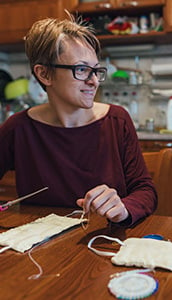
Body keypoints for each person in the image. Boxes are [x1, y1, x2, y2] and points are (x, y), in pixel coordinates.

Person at [0, 13, 157, 227]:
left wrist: (124, 208)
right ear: (44, 74)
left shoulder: (117, 121)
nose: (94, 81)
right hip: (40, 249)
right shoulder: (18, 129)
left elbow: (145, 191)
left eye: (96, 70)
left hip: (104, 241)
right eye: (82, 69)